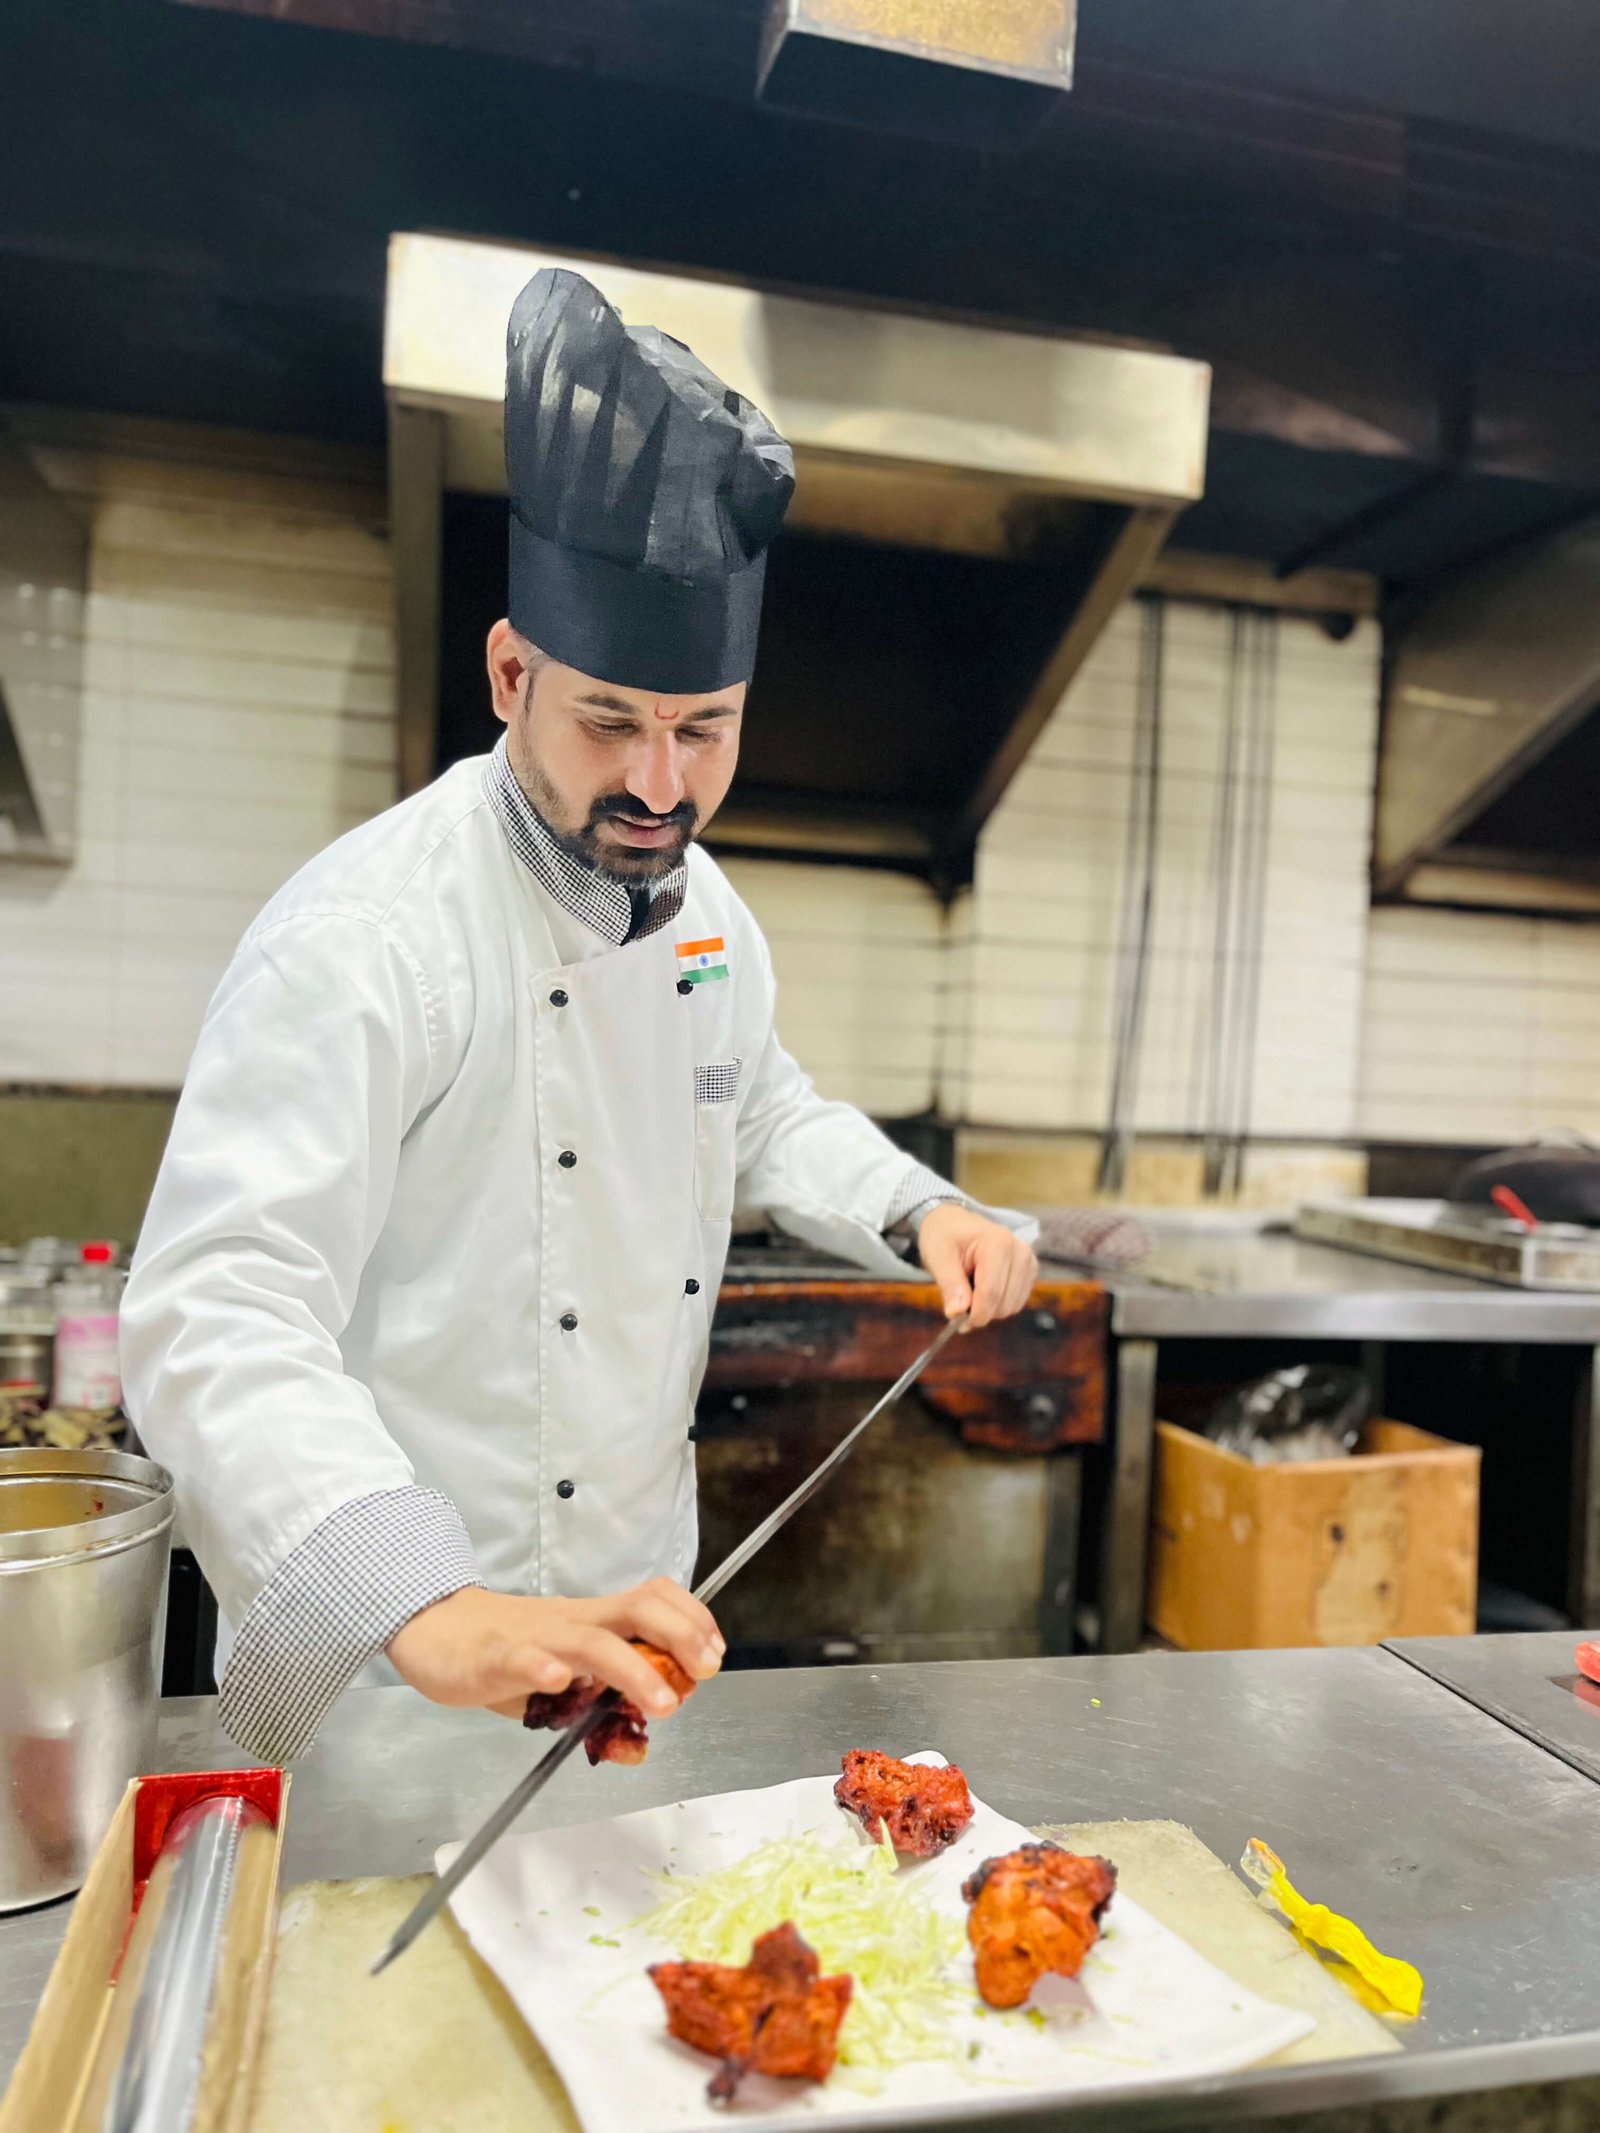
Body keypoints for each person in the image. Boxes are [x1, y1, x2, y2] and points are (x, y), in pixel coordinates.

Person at [121, 268, 1038, 1764]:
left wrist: (917, 1206)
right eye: (610, 720)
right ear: (510, 671)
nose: (660, 786)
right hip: (401, 1667)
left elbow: (759, 1102)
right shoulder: (372, 932)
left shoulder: (707, 912)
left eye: (704, 730)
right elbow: (216, 1304)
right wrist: (433, 1606)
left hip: (631, 1632)